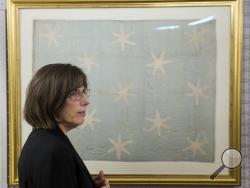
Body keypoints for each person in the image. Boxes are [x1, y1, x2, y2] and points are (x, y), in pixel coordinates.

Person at [18, 63, 110, 188]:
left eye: (84, 92)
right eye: (74, 93)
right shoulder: (55, 151)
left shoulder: (40, 140)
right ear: (51, 100)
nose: (86, 101)